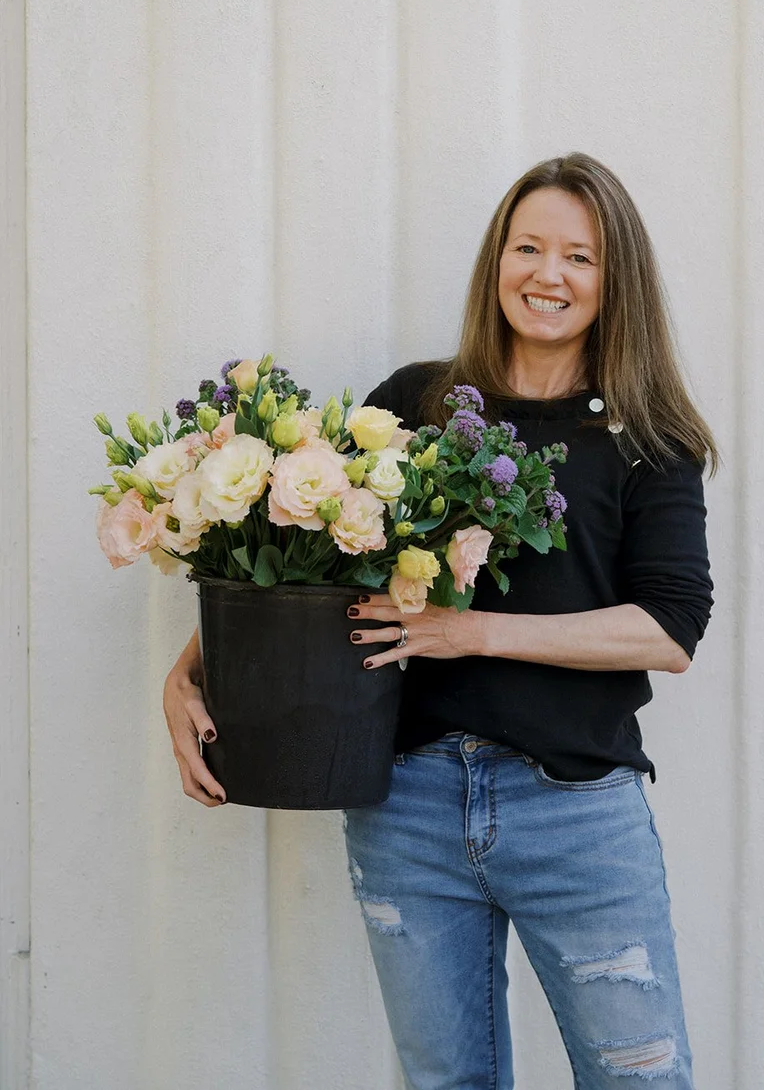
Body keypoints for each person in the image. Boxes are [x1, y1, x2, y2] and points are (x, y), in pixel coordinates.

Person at [163, 152, 717, 1089]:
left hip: (575, 810)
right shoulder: (416, 404)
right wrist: (193, 668)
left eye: (579, 257)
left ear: (615, 277)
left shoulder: (646, 437)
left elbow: (669, 629)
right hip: (405, 804)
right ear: (496, 260)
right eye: (528, 247)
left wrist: (475, 630)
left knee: (639, 1079)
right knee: (446, 1081)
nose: (549, 274)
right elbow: (316, 558)